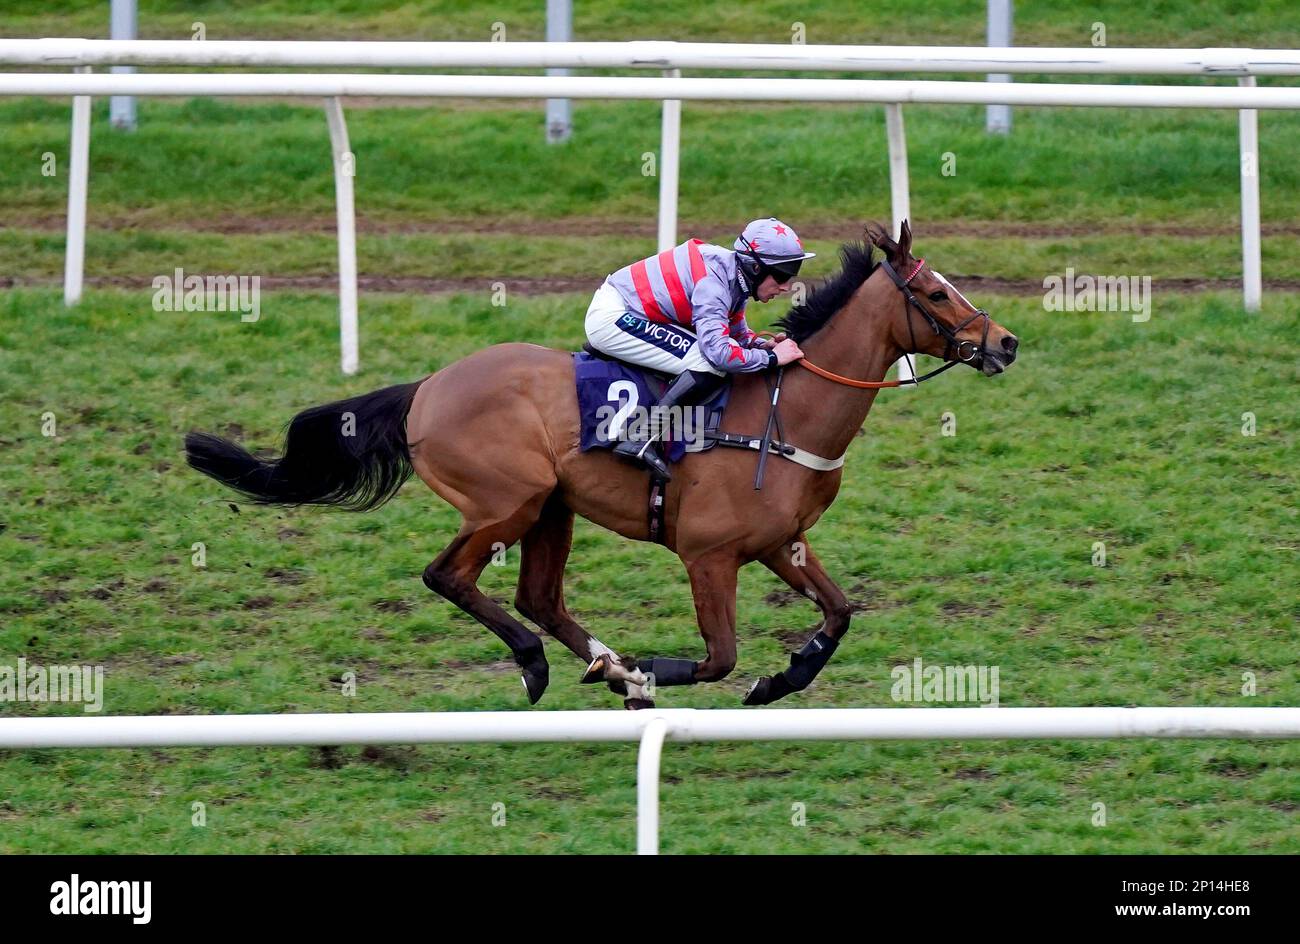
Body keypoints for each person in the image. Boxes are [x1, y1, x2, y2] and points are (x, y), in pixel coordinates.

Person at [584, 217, 811, 479]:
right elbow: (719, 354)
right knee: (705, 362)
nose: (785, 286)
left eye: (791, 275)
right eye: (781, 275)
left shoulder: (734, 277)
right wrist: (771, 358)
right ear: (755, 268)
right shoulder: (713, 285)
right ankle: (640, 439)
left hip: (634, 310)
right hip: (614, 315)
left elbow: (735, 334)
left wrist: (761, 344)